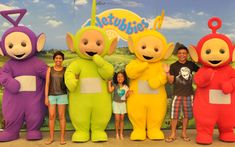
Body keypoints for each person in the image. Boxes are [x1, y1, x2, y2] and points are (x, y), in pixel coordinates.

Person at [165, 43, 199, 143]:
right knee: (174, 115)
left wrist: (197, 80)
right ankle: (173, 134)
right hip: (177, 94)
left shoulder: (191, 65)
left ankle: (184, 133)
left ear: (187, 54)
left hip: (189, 94)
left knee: (186, 116)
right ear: (177, 54)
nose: (182, 54)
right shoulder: (173, 66)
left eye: (184, 53)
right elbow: (171, 82)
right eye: (180, 53)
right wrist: (167, 73)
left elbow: (201, 71)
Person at [45, 51, 68, 145]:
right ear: (54, 59)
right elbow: (47, 84)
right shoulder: (49, 69)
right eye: (56, 58)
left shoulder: (66, 70)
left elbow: (71, 81)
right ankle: (51, 138)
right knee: (51, 116)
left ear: (62, 60)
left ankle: (62, 138)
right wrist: (46, 97)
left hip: (62, 95)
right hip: (51, 95)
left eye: (60, 58)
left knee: (62, 117)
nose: (58, 60)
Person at [108, 71, 131, 140]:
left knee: (122, 119)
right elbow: (110, 90)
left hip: (123, 104)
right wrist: (109, 83)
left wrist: (129, 93)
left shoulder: (126, 87)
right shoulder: (115, 85)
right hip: (116, 104)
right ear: (116, 78)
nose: (120, 78)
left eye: (121, 76)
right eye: (118, 77)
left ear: (124, 78)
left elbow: (126, 96)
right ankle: (117, 133)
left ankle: (121, 133)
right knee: (117, 119)